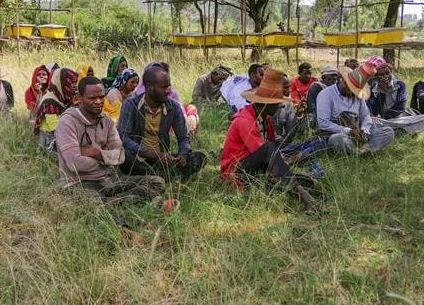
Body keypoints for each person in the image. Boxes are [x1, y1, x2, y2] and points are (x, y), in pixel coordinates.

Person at [220, 68, 318, 211]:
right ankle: (306, 198)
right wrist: (284, 163)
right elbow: (266, 152)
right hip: (236, 172)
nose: (279, 105)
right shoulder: (244, 121)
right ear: (265, 103)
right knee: (271, 152)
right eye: (276, 102)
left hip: (256, 168)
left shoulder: (266, 120)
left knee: (305, 180)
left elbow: (277, 146)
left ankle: (302, 191)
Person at [55, 76, 164, 203]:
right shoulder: (67, 122)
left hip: (107, 179)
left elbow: (121, 155)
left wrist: (97, 153)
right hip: (80, 183)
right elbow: (74, 163)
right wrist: (107, 158)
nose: (98, 101)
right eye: (92, 98)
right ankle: (119, 205)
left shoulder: (106, 121)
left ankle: (116, 201)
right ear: (79, 98)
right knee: (96, 206)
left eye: (101, 97)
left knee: (157, 182)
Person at [117, 66, 206, 181]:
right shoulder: (131, 104)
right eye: (164, 87)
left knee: (200, 157)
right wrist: (152, 154)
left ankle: (156, 176)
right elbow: (124, 138)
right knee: (124, 157)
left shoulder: (173, 107)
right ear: (149, 87)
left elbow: (184, 137)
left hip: (162, 160)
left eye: (169, 86)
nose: (168, 90)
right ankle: (162, 176)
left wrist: (182, 155)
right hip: (138, 158)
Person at [316, 63, 394, 154]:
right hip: (338, 134)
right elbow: (323, 123)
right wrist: (348, 131)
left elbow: (365, 116)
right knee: (338, 139)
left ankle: (364, 150)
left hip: (358, 134)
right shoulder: (326, 95)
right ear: (345, 83)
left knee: (388, 131)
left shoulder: (358, 95)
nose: (355, 93)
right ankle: (356, 152)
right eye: (353, 90)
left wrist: (364, 130)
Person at [367, 62, 424, 135]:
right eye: (381, 74)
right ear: (376, 77)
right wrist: (382, 91)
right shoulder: (372, 89)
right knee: (372, 121)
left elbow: (401, 106)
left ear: (391, 73)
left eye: (388, 73)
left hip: (400, 118)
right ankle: (400, 131)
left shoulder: (400, 85)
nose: (385, 76)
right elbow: (374, 112)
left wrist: (387, 118)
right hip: (382, 120)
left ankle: (392, 131)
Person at [33, 67, 78, 150]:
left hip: (61, 133)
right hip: (49, 137)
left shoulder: (63, 98)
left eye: (75, 82)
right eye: (72, 82)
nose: (75, 86)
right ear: (62, 83)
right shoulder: (49, 101)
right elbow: (54, 128)